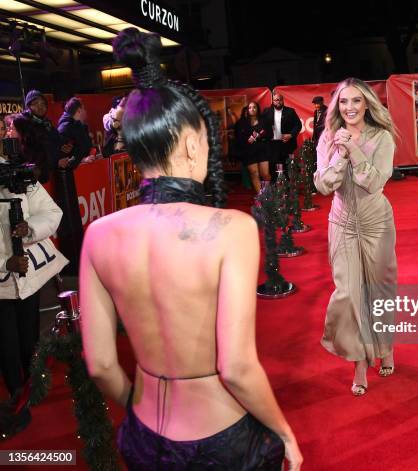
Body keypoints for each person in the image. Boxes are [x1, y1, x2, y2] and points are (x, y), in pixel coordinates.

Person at [79, 28, 302, 470]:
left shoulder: (98, 234)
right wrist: (284, 432)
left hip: (143, 436)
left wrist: (137, 407)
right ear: (191, 143)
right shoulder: (232, 229)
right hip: (221, 441)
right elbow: (236, 366)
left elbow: (102, 364)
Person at [314, 77, 397, 397]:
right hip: (342, 223)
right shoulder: (327, 138)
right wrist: (339, 152)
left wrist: (354, 151)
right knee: (349, 294)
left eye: (356, 101)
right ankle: (359, 362)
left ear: (367, 105)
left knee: (379, 292)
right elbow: (322, 185)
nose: (350, 108)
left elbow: (374, 182)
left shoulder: (382, 137)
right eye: (343, 102)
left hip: (377, 223)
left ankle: (385, 348)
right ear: (337, 106)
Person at [0, 146, 68, 438]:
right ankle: (16, 401)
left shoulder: (16, 173)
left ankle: (30, 389)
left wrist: (29, 229)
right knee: (7, 348)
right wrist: (4, 264)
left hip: (28, 280)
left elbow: (52, 211)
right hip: (2, 285)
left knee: (29, 340)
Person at [20, 90, 71, 183]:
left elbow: (56, 145)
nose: (40, 106)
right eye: (35, 103)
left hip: (52, 176)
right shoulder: (25, 126)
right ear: (28, 107)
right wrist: (56, 163)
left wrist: (64, 147)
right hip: (37, 180)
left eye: (43, 103)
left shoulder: (47, 124)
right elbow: (32, 157)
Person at [235, 101, 272, 193]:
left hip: (262, 150)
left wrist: (260, 136)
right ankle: (261, 197)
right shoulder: (241, 123)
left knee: (265, 174)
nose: (252, 109)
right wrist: (247, 139)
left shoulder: (264, 120)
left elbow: (270, 134)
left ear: (257, 109)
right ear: (247, 110)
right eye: (250, 107)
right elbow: (238, 138)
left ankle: (268, 194)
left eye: (254, 107)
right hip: (249, 152)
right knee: (254, 174)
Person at [262, 90, 301, 172]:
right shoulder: (266, 112)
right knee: (274, 169)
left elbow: (298, 125)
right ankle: (275, 184)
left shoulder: (290, 111)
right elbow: (261, 126)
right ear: (273, 101)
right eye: (276, 100)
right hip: (272, 145)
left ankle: (288, 184)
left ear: (283, 100)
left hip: (287, 144)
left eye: (280, 99)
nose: (278, 102)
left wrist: (290, 135)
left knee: (288, 168)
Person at [57, 97, 93, 169]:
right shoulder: (65, 128)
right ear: (79, 110)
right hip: (72, 174)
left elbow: (84, 148)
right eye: (84, 109)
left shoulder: (80, 126)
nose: (85, 112)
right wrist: (82, 160)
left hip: (84, 170)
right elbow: (64, 158)